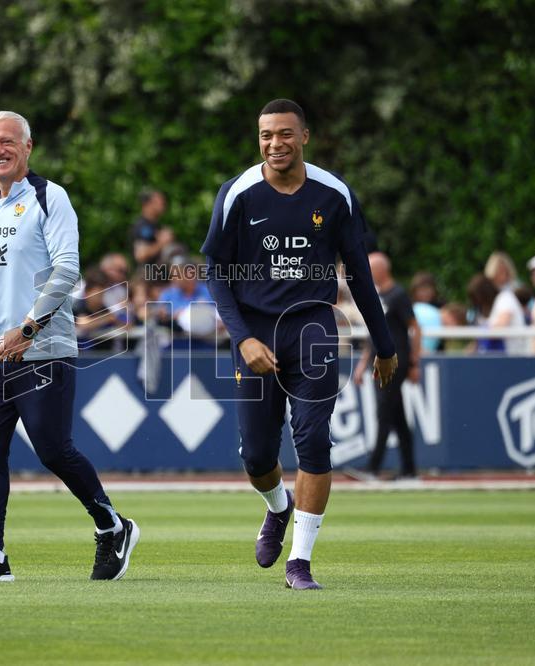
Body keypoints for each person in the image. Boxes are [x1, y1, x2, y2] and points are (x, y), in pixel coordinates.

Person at [202, 99, 398, 590]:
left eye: (285, 134)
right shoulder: (238, 193)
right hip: (256, 333)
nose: (275, 144)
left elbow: (360, 273)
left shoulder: (334, 194)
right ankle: (277, 507)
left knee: (313, 439)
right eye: (266, 135)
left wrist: (385, 343)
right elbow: (216, 274)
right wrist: (243, 337)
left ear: (304, 136)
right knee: (257, 456)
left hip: (313, 330)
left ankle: (300, 562)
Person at [0, 110, 139, 583]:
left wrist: (28, 329)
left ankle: (112, 526)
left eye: (7, 141)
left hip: (44, 350)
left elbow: (67, 269)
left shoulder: (51, 198)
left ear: (28, 147)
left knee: (53, 451)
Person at [355, 252, 420, 480]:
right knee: (397, 416)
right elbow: (372, 335)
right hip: (378, 360)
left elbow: (415, 328)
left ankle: (373, 467)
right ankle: (409, 470)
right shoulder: (376, 295)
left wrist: (414, 362)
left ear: (382, 269)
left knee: (384, 412)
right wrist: (362, 364)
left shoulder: (398, 295)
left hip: (395, 361)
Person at [130, 188, 173, 269]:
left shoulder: (156, 225)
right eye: (158, 201)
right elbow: (140, 255)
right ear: (147, 204)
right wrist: (163, 243)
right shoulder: (142, 226)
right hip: (147, 277)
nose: (163, 204)